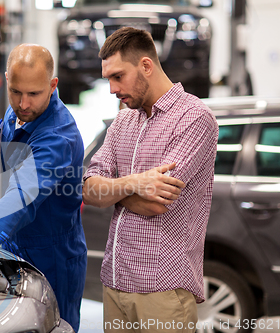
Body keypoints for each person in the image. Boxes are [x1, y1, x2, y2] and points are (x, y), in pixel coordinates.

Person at [0, 44, 87, 331]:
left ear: (52, 85)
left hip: (52, 255)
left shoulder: (58, 135)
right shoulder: (16, 113)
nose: (23, 103)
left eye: (33, 94)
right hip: (11, 244)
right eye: (16, 92)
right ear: (8, 79)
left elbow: (25, 191)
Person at [82, 27, 218, 332]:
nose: (112, 89)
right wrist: (136, 183)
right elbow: (89, 190)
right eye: (108, 79)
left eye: (118, 76)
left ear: (146, 65)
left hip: (163, 289)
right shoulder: (123, 121)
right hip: (115, 283)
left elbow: (156, 202)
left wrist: (113, 191)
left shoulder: (193, 117)